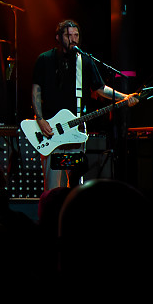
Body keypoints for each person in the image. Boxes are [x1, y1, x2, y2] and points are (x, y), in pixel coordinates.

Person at [31, 19, 137, 190]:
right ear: (58, 37)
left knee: (75, 184)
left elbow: (101, 89)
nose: (73, 39)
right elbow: (36, 91)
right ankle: (52, 215)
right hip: (51, 131)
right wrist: (40, 119)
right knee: (53, 187)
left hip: (75, 132)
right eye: (68, 35)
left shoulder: (85, 61)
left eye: (76, 35)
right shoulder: (44, 59)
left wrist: (125, 97)